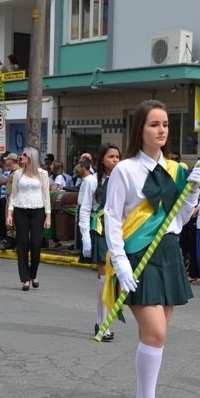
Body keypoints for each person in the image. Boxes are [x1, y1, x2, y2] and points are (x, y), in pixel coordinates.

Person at [103, 99, 200, 398]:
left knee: (154, 337)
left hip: (167, 253)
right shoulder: (125, 170)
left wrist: (190, 192)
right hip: (136, 256)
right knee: (156, 333)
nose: (161, 130)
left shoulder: (177, 170)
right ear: (140, 129)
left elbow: (179, 219)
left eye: (164, 124)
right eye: (153, 124)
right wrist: (119, 263)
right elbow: (113, 221)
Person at [79, 143, 121, 342]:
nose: (115, 160)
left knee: (116, 279)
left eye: (117, 157)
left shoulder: (122, 179)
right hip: (101, 228)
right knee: (104, 277)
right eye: (111, 156)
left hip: (120, 229)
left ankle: (105, 320)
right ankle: (101, 321)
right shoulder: (91, 182)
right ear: (102, 159)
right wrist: (86, 239)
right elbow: (85, 210)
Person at [6, 147, 51, 290]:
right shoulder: (18, 174)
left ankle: (34, 273)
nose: (21, 157)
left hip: (38, 210)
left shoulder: (42, 174)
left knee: (36, 243)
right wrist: (9, 213)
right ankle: (25, 278)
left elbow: (46, 195)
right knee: (22, 243)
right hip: (20, 210)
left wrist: (48, 215)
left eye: (24, 155)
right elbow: (13, 194)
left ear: (31, 157)